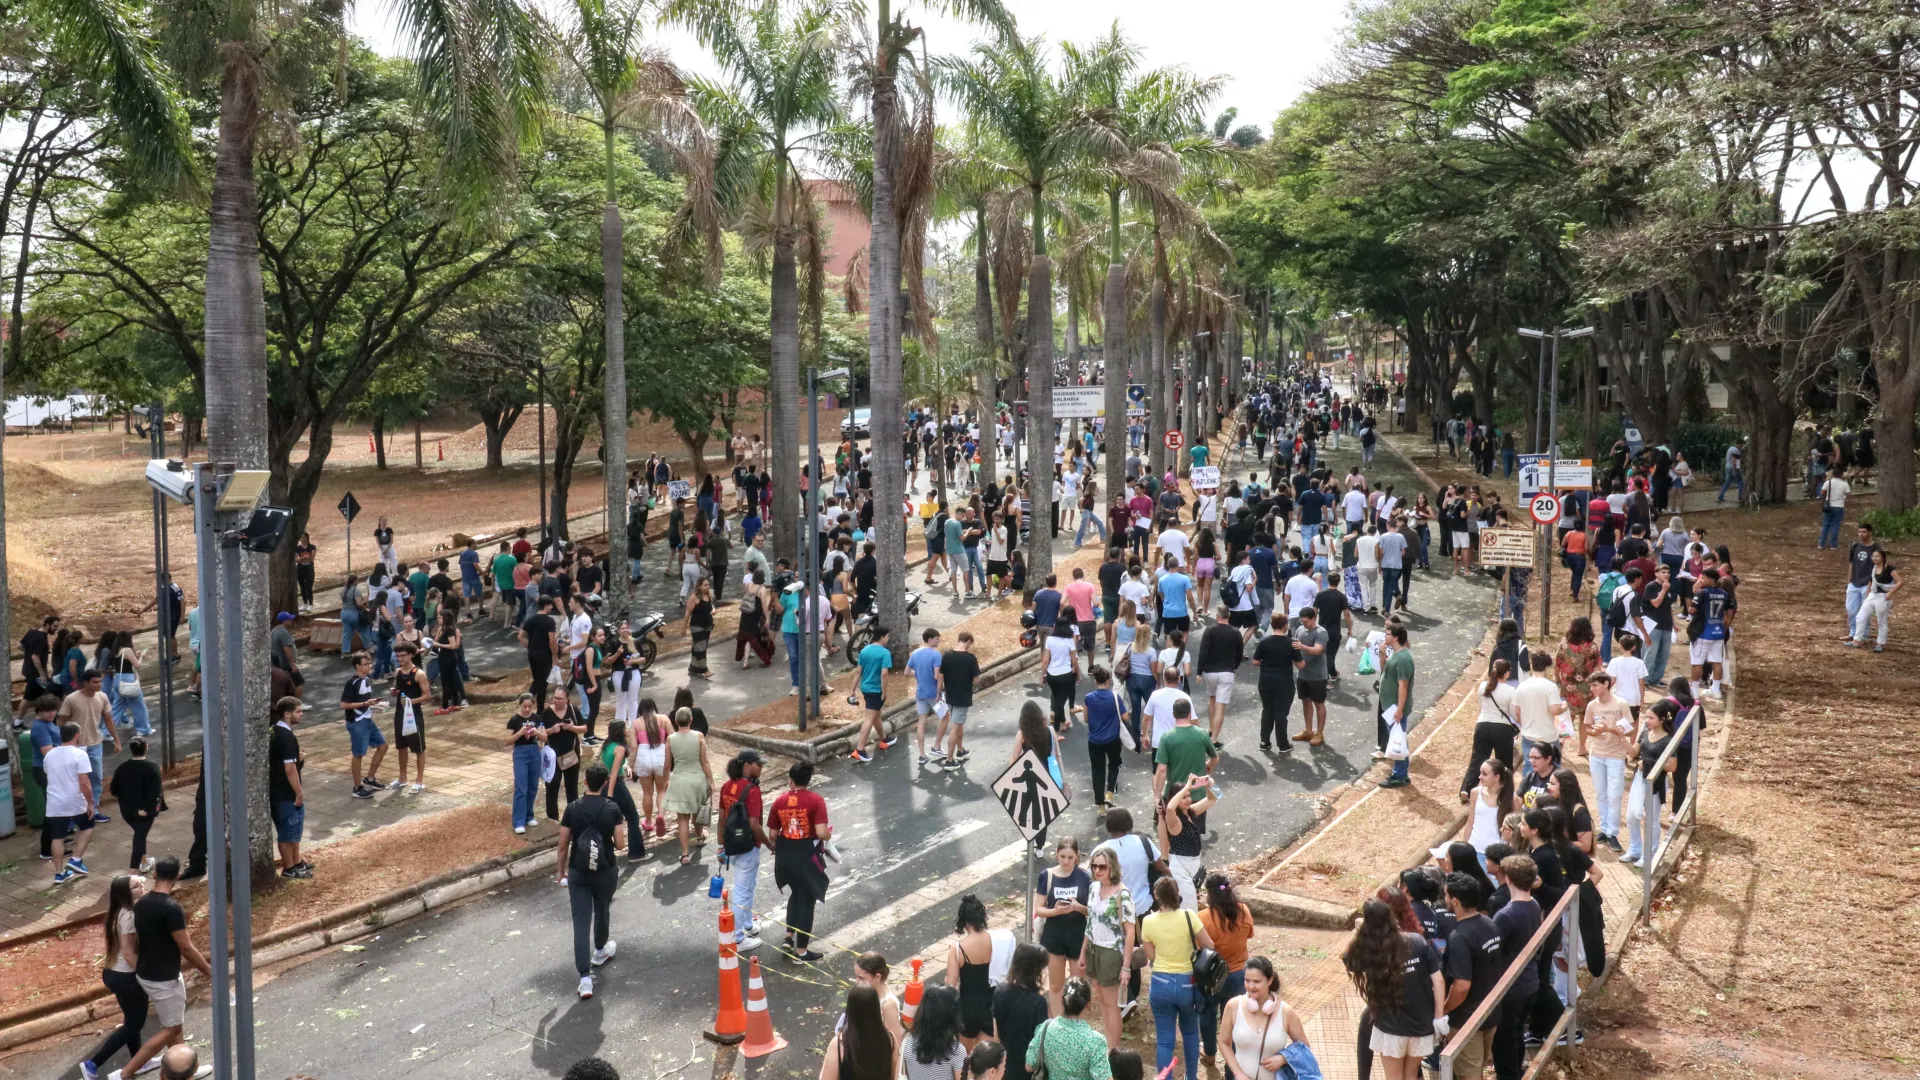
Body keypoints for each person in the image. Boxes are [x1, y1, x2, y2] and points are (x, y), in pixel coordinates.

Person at [119, 857, 214, 1080]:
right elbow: (186, 947)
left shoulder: (141, 903)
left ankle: (184, 1068)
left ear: (154, 875)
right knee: (171, 1029)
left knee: (173, 1023)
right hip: (164, 978)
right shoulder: (171, 909)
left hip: (146, 972)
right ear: (178, 877)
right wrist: (212, 973)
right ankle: (126, 1073)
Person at [1344, 897, 1443, 1080]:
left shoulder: (1370, 951)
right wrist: (1439, 1017)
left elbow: (1347, 959)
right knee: (1411, 1075)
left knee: (1394, 1077)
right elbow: (1439, 980)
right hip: (1421, 1025)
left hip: (1391, 1028)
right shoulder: (1416, 941)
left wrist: (1360, 931)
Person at [558, 764, 627, 999]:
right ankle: (600, 950)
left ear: (585, 782)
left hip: (578, 872)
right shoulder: (612, 808)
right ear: (605, 783)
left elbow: (563, 845)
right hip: (605, 870)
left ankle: (585, 979)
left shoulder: (572, 808)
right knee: (602, 910)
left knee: (581, 923)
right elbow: (620, 844)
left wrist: (561, 872)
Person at [1141, 877, 1214, 1080]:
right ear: (1177, 893)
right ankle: (1191, 1076)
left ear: (1156, 896)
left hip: (1161, 983)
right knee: (1190, 1033)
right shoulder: (1189, 916)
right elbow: (1209, 945)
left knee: (1164, 1040)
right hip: (1188, 984)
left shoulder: (1148, 921)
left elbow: (1151, 956)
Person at [80, 873, 149, 1080]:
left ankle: (139, 1060)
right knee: (134, 1024)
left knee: (131, 1021)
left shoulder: (117, 912)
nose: (141, 887)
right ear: (126, 893)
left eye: (140, 883)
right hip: (127, 977)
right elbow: (128, 952)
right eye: (136, 886)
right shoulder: (128, 916)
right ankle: (92, 1064)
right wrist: (144, 975)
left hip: (114, 974)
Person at [1440, 874, 1503, 1079]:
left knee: (1469, 1075)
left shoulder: (1459, 937)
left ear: (1455, 901)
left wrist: (1443, 1009)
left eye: (1446, 896)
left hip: (1466, 1020)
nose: (1445, 899)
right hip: (1490, 1012)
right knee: (1478, 1070)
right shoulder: (1490, 924)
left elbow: (1462, 986)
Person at [770, 761, 833, 962]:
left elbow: (773, 834)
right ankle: (802, 951)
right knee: (807, 899)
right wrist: (828, 836)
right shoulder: (816, 800)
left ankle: (789, 937)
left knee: (796, 893)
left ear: (790, 781)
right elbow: (821, 832)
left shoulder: (779, 801)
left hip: (785, 854)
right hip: (806, 856)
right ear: (808, 780)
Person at [1080, 847, 1137, 1049]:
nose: (1097, 870)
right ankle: (1108, 1044)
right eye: (1094, 866)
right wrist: (1083, 950)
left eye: (1102, 866)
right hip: (1094, 948)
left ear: (1112, 867)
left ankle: (1113, 1051)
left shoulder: (1122, 894)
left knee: (1112, 1005)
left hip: (1112, 952)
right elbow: (1091, 921)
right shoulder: (1093, 888)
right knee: (1102, 1000)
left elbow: (1130, 932)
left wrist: (1126, 967)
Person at [1218, 955, 1308, 1080]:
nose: (1251, 986)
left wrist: (1284, 1058)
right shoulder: (1233, 1006)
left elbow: (1304, 1047)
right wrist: (1238, 1073)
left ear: (1269, 981)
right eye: (1247, 980)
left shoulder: (1286, 1012)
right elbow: (1223, 1042)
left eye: (1257, 981)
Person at [1198, 874, 1255, 1069]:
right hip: (1239, 975)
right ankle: (1233, 1063)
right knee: (1234, 1019)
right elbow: (1249, 934)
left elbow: (1199, 946)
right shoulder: (1243, 910)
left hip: (1212, 976)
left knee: (1207, 1015)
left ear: (1209, 894)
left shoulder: (1203, 917)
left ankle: (1210, 1053)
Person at [1035, 836, 1092, 1013]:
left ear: (1077, 856)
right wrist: (1055, 911)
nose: (1066, 861)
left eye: (1070, 857)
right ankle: (1057, 1022)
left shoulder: (1085, 877)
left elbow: (1092, 911)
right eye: (1062, 857)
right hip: (1054, 937)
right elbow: (1039, 908)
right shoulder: (1047, 876)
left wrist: (1078, 907)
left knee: (1078, 987)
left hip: (1078, 936)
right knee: (1055, 985)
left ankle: (1076, 1023)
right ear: (1057, 855)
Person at [58, 668, 118, 819]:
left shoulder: (102, 697)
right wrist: (63, 744)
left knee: (96, 778)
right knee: (75, 780)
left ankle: (93, 810)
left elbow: (108, 719)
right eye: (95, 682)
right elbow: (62, 722)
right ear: (85, 683)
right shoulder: (71, 699)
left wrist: (117, 740)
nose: (99, 685)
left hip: (95, 744)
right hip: (75, 746)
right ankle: (75, 813)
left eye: (100, 682)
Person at [1027, 979, 1113, 1080]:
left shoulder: (1045, 1028)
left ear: (1063, 1001)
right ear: (1088, 1005)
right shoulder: (1095, 1041)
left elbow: (1029, 1066)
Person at [43, 722, 96, 884]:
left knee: (57, 837)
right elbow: (84, 782)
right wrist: (90, 803)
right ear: (77, 735)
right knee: (87, 826)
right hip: (75, 800)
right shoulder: (80, 754)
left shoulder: (49, 755)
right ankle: (76, 859)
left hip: (54, 802)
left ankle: (59, 873)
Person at [267, 696, 312, 880]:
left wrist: (297, 759)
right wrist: (299, 792)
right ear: (287, 714)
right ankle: (289, 868)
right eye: (298, 711)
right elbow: (289, 769)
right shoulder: (287, 738)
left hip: (277, 790)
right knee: (288, 832)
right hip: (285, 793)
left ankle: (297, 862)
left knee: (293, 830)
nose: (301, 714)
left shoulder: (274, 731)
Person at [995, 943, 1053, 1080]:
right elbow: (1042, 1041)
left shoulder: (1000, 990)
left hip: (1004, 1064)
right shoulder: (1038, 1002)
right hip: (1027, 1067)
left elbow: (995, 1033)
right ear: (1036, 972)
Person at [663, 707, 713, 864]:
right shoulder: (699, 736)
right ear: (691, 720)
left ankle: (685, 854)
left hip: (679, 780)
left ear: (676, 721)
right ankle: (699, 836)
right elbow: (704, 762)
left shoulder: (670, 739)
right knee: (697, 812)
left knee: (682, 818)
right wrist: (711, 781)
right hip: (698, 779)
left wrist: (666, 781)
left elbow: (667, 765)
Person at [948, 894, 997, 1048]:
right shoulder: (995, 941)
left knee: (965, 1057)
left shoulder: (957, 949)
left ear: (963, 920)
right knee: (987, 1058)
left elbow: (950, 987)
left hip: (967, 1009)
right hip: (990, 1007)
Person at [109, 736, 164, 873]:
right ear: (146, 747)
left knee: (140, 834)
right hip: (145, 812)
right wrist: (150, 810)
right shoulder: (152, 767)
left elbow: (114, 789)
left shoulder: (122, 768)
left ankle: (144, 862)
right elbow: (156, 792)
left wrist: (126, 801)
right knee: (140, 837)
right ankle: (133, 871)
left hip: (127, 811)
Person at [1195, 605, 1245, 750]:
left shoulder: (1210, 630)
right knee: (1220, 706)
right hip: (1226, 672)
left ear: (1217, 616)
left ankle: (1211, 729)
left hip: (1210, 672)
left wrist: (1199, 672)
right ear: (1229, 616)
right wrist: (1235, 666)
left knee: (1212, 699)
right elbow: (1239, 653)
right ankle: (1214, 740)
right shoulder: (1235, 633)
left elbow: (1203, 652)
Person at [1250, 613, 1301, 753]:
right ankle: (1283, 744)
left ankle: (1264, 741)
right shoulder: (1291, 643)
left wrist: (1267, 665)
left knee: (1267, 710)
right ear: (1284, 625)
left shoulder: (1264, 642)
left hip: (1266, 679)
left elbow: (1255, 661)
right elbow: (1300, 664)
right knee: (1281, 712)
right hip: (1284, 681)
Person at [1376, 625, 1415, 787]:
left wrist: (1399, 709)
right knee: (1397, 738)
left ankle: (1399, 775)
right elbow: (1385, 671)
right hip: (1390, 706)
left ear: (1396, 637)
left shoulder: (1403, 659)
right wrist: (1382, 655)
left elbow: (1403, 685)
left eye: (1387, 634)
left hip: (1395, 708)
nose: (1385, 636)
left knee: (1398, 741)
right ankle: (1401, 772)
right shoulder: (1395, 654)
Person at [850, 626, 895, 763]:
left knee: (876, 714)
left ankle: (884, 738)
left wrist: (852, 690)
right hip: (876, 690)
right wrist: (884, 692)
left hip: (865, 688)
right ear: (882, 637)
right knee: (870, 717)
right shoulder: (885, 653)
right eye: (887, 636)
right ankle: (860, 749)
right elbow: (884, 674)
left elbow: (858, 671)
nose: (888, 638)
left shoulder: (865, 650)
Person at [1847, 548, 1900, 652]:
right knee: (1860, 617)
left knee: (1881, 620)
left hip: (1883, 597)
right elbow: (1871, 581)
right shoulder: (1874, 568)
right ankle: (1857, 640)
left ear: (1883, 558)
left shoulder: (1889, 569)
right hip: (1873, 595)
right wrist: (1868, 593)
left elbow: (1900, 582)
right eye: (1873, 556)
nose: (1874, 558)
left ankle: (1880, 643)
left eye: (1877, 556)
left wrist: (1891, 592)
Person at [1292, 606, 1330, 746]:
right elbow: (1294, 647)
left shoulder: (1321, 633)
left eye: (1306, 621)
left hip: (1317, 675)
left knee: (1319, 703)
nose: (1304, 624)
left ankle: (1319, 733)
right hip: (1303, 674)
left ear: (1313, 618)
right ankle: (1308, 731)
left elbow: (1318, 650)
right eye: (1302, 621)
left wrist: (1302, 647)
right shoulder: (1300, 630)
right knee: (1305, 701)